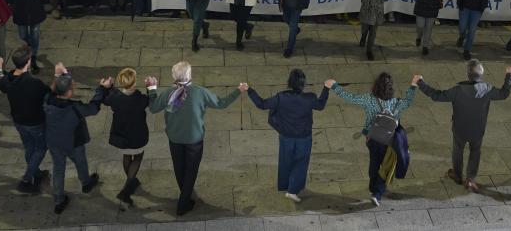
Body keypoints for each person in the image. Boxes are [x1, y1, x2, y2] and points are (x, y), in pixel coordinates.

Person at [146, 61, 242, 216]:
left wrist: (151, 89)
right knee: (191, 170)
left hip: (174, 137)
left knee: (179, 167)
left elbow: (153, 107)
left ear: (173, 76)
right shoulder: (200, 92)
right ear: (189, 75)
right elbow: (221, 103)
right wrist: (238, 90)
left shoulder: (167, 93)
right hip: (194, 139)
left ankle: (185, 195)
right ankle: (183, 204)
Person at [416, 61, 511, 192]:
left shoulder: (457, 90)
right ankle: (470, 179)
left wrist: (420, 83)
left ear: (468, 74)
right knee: (475, 151)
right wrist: (509, 75)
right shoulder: (488, 89)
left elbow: (436, 95)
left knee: (458, 150)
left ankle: (457, 175)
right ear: (482, 74)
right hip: (478, 129)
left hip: (460, 129)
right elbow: (504, 93)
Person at [327, 72, 417, 206]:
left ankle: (373, 188)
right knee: (386, 165)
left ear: (376, 86)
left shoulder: (368, 99)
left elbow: (350, 97)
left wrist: (334, 86)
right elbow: (408, 100)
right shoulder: (396, 103)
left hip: (373, 138)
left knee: (374, 162)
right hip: (390, 140)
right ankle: (377, 193)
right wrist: (413, 85)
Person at [246, 69, 330, 202]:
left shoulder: (281, 97)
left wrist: (249, 90)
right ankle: (292, 190)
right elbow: (320, 105)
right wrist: (326, 88)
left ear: (290, 83)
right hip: (304, 137)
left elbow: (261, 104)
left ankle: (284, 185)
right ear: (303, 83)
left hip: (286, 136)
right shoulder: (309, 98)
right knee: (301, 162)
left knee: (285, 161)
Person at [45, 64, 106, 213]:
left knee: (58, 169)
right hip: (73, 142)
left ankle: (59, 200)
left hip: (54, 142)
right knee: (80, 161)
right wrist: (102, 89)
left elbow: (54, 89)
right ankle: (85, 182)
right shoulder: (74, 108)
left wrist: (60, 76)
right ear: (70, 92)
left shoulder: (47, 100)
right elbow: (93, 108)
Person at [0, 46, 51, 193]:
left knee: (29, 147)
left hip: (19, 121)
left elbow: (1, 82)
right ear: (28, 62)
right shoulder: (34, 83)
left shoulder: (8, 79)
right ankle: (26, 179)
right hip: (35, 122)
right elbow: (50, 93)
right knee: (40, 148)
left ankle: (36, 172)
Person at [103, 67, 150, 205]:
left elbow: (106, 99)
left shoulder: (115, 97)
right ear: (134, 82)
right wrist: (151, 88)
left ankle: (131, 181)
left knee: (127, 156)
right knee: (138, 156)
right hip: (137, 136)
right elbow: (152, 101)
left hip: (121, 135)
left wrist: (108, 87)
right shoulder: (140, 99)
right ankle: (127, 188)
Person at [5, 0, 48, 74]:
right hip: (21, 11)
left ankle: (33, 59)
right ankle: (31, 47)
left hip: (35, 10)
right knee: (23, 35)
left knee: (35, 36)